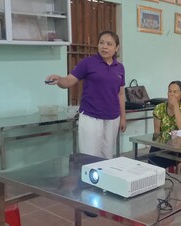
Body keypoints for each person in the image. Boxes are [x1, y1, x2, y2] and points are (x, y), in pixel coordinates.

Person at [46, 30, 126, 159]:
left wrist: (123, 117)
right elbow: (68, 81)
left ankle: (105, 179)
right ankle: (87, 180)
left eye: (109, 44)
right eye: (101, 43)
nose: (104, 46)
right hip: (91, 116)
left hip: (112, 117)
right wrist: (59, 79)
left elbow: (120, 94)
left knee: (107, 156)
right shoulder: (88, 63)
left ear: (116, 48)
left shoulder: (119, 68)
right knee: (89, 157)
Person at [148, 81, 181, 168]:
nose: (171, 94)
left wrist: (175, 106)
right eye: (169, 91)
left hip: (177, 146)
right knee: (152, 163)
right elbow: (156, 132)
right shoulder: (159, 108)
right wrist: (162, 145)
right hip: (161, 145)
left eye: (175, 92)